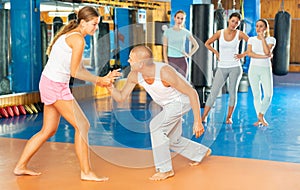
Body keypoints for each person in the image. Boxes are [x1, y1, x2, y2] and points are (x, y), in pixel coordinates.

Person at [13, 6, 121, 182]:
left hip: (51, 83)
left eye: (97, 25)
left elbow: (80, 67)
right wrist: (98, 80)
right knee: (83, 125)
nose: (95, 28)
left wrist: (100, 78)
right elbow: (75, 71)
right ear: (83, 22)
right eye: (93, 24)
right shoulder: (78, 39)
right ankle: (86, 172)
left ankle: (20, 166)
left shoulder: (72, 36)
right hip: (55, 85)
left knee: (48, 129)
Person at [107, 45, 211, 181]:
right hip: (167, 105)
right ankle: (200, 152)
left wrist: (198, 121)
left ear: (141, 64)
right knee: (173, 140)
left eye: (131, 59)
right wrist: (109, 85)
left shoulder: (164, 73)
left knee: (156, 126)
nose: (128, 61)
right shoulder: (134, 75)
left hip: (181, 101)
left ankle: (165, 169)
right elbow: (120, 97)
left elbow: (192, 93)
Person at [202, 12, 249, 124]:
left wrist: (243, 54)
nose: (234, 24)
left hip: (235, 67)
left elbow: (252, 43)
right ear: (229, 20)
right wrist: (216, 53)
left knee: (232, 93)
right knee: (213, 92)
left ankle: (229, 117)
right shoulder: (220, 33)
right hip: (222, 67)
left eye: (237, 23)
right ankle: (204, 117)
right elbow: (207, 43)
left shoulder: (240, 34)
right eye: (233, 21)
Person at [247, 19, 276, 126]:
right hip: (253, 69)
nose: (258, 28)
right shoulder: (251, 40)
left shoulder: (271, 39)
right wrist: (264, 57)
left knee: (268, 94)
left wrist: (263, 38)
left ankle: (261, 114)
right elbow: (250, 53)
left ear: (265, 28)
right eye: (257, 26)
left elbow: (267, 52)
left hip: (265, 69)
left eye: (261, 26)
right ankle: (260, 118)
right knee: (257, 95)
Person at [163, 10, 199, 78]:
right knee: (171, 83)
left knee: (182, 83)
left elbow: (196, 45)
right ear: (174, 18)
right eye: (178, 18)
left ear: (184, 20)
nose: (180, 20)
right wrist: (166, 62)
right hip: (171, 60)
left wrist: (188, 55)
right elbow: (164, 49)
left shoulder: (186, 32)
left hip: (182, 61)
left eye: (182, 18)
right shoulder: (167, 32)